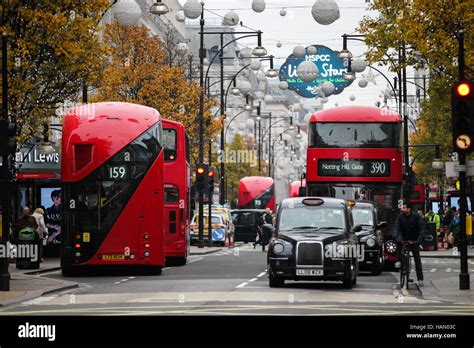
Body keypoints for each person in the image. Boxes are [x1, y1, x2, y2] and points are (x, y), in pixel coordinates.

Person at [393, 202, 426, 287]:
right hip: (403, 239)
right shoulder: (400, 217)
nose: (402, 209)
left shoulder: (416, 217)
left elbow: (422, 228)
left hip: (414, 240)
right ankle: (399, 260)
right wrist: (398, 237)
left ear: (409, 209)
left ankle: (420, 279)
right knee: (398, 244)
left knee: (417, 259)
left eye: (404, 207)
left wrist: (419, 240)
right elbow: (397, 228)